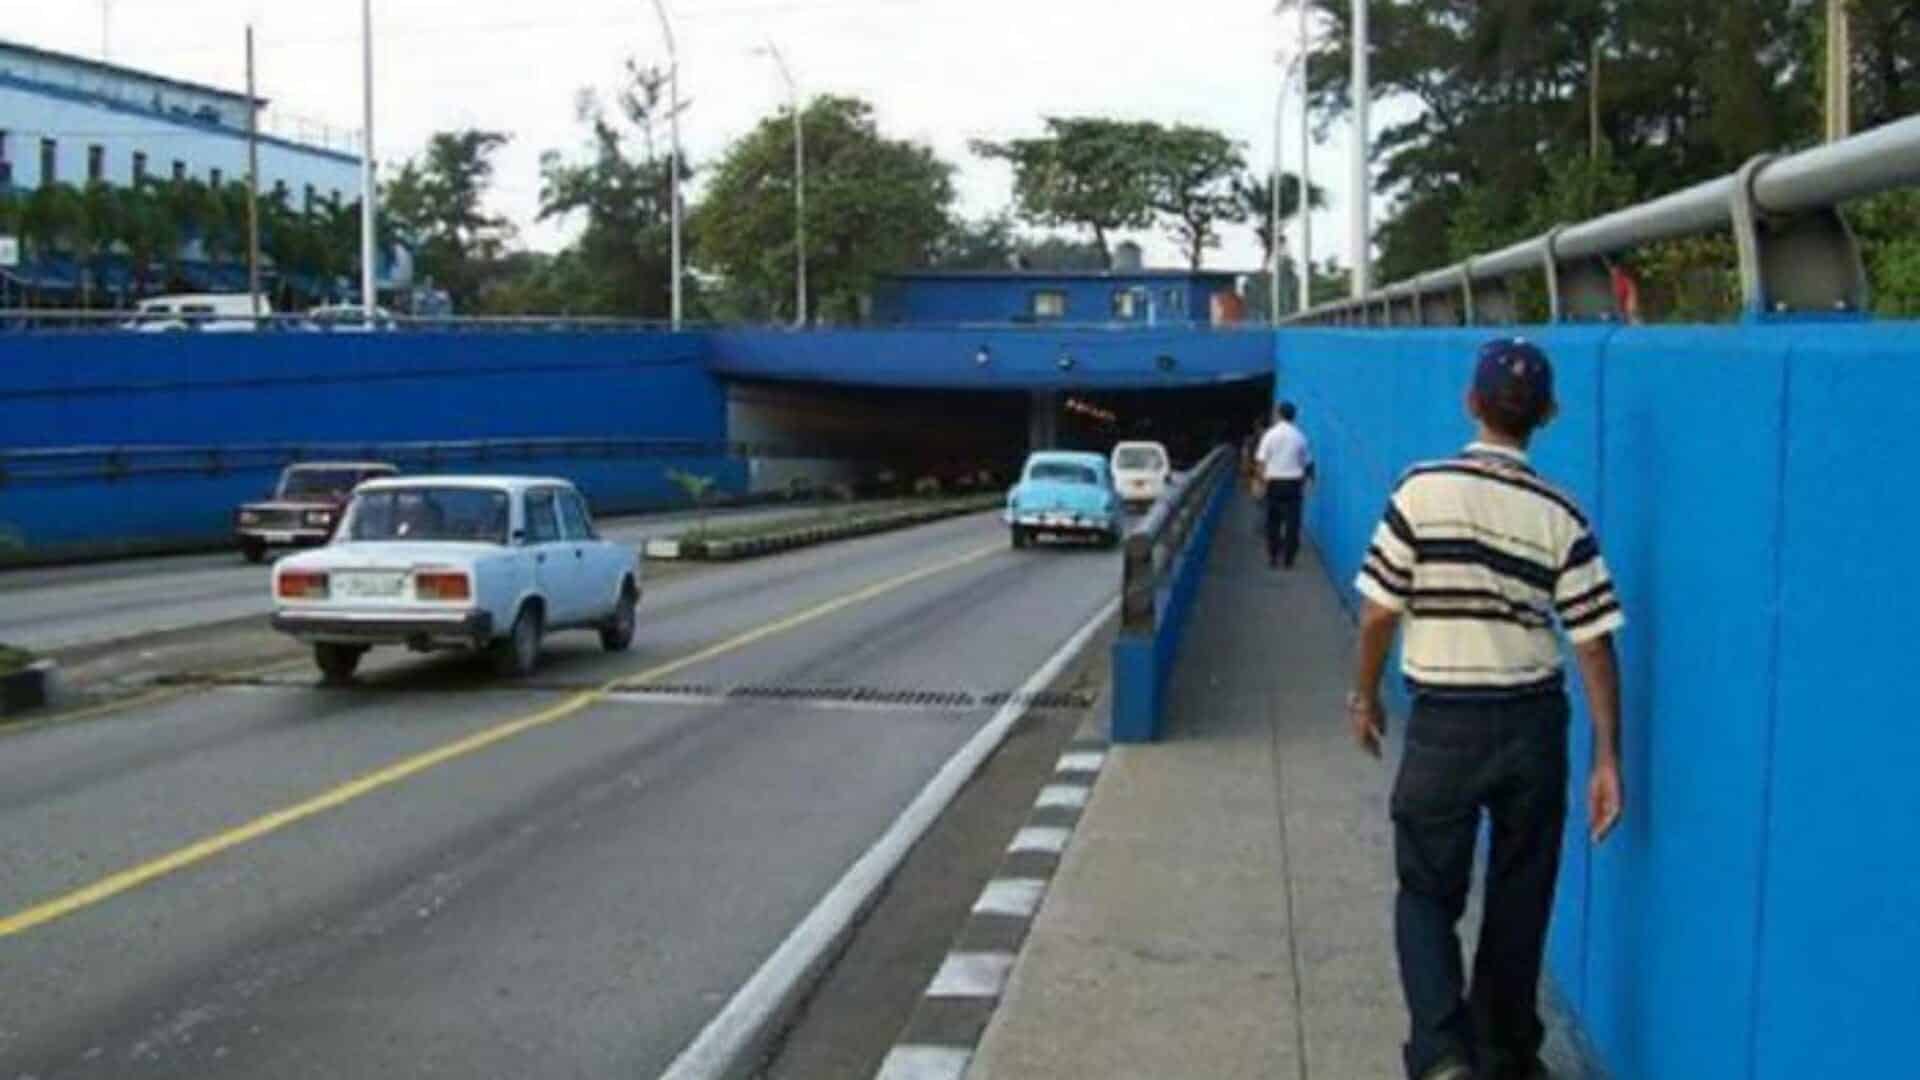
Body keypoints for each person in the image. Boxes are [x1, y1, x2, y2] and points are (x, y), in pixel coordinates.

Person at [1346, 338, 1626, 1080]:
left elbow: (1377, 614)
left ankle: (1442, 1057)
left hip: (1445, 724)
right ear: (1549, 415)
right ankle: (1505, 1053)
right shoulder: (1562, 515)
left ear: (1471, 403)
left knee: (1427, 892)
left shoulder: (1420, 490)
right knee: (1519, 892)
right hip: (1535, 723)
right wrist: (1606, 757)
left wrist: (1365, 694)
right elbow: (1593, 643)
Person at [1253, 401, 1313, 568]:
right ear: (1294, 416)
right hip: (1294, 484)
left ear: (1278, 414)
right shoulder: (1300, 436)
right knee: (1293, 522)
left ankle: (1273, 556)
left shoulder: (1270, 435)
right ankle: (1289, 559)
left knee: (1273, 521)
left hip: (1274, 483)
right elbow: (1307, 463)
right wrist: (1310, 482)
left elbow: (1261, 461)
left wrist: (1259, 482)